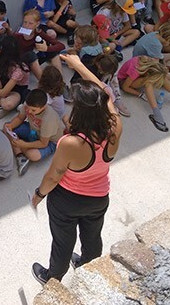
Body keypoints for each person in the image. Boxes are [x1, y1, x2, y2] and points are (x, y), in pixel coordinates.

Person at [30, 54, 123, 284]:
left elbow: (54, 176)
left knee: (63, 242)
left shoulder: (71, 143)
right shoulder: (115, 126)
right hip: (99, 197)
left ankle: (52, 278)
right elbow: (104, 92)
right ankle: (89, 269)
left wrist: (39, 194)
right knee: (92, 238)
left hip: (67, 201)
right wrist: (79, 65)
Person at [117, 56, 170, 132]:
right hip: (124, 81)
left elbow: (159, 69)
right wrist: (139, 94)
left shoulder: (152, 62)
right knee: (148, 82)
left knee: (161, 78)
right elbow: (125, 87)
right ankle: (156, 113)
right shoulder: (135, 70)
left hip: (139, 76)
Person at [3, 89, 64, 176]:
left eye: (33, 110)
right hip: (34, 130)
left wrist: (24, 145)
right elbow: (20, 118)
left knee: (33, 155)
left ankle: (18, 150)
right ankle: (20, 155)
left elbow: (43, 143)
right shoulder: (28, 105)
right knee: (6, 127)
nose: (29, 111)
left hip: (50, 141)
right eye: (28, 108)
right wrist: (11, 126)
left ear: (43, 107)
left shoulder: (48, 119)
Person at [14, 9, 65, 79]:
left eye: (30, 23)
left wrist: (47, 48)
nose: (26, 26)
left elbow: (61, 45)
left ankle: (60, 79)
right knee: (31, 55)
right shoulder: (18, 34)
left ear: (37, 24)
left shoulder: (38, 32)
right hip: (21, 61)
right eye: (25, 22)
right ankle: (43, 82)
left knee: (53, 51)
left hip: (33, 61)